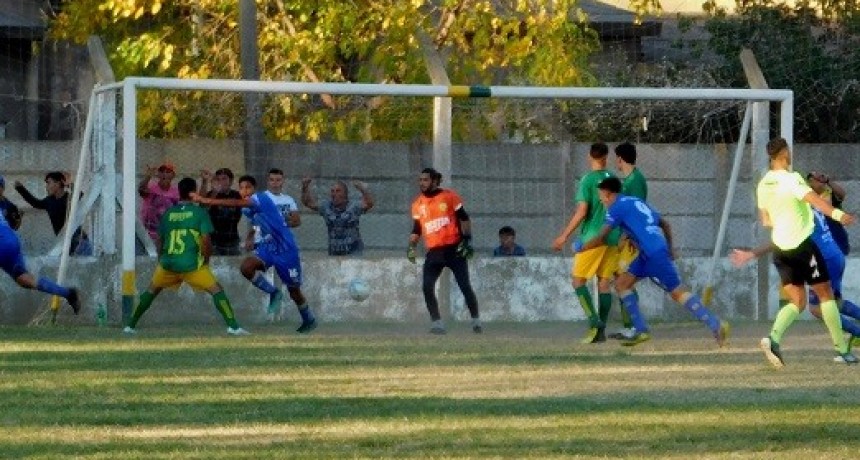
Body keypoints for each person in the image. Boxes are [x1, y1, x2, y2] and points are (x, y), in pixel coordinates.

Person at [578, 176, 730, 347]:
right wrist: (669, 248)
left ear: (608, 194)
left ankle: (715, 324)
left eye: (601, 195)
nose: (600, 199)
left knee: (677, 292)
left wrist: (582, 247)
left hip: (652, 253)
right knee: (621, 284)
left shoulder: (616, 208)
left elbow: (602, 237)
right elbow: (665, 224)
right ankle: (640, 330)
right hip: (650, 252)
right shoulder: (635, 201)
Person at [755, 138, 856, 367]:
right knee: (826, 295)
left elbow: (766, 220)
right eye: (788, 151)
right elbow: (816, 201)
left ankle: (773, 339)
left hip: (780, 250)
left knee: (798, 301)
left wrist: (784, 218)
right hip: (802, 246)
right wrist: (839, 215)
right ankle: (842, 350)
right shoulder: (792, 179)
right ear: (784, 153)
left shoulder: (763, 184)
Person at [730, 208, 860, 362]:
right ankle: (845, 346)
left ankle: (852, 340)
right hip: (830, 255)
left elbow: (778, 236)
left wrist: (752, 253)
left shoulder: (796, 210)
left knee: (819, 306)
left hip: (825, 258)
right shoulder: (807, 205)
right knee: (826, 303)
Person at [124, 177, 248, 335]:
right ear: (193, 192)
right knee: (217, 290)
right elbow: (206, 241)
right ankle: (233, 327)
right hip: (191, 265)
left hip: (168, 264)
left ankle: (130, 326)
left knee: (151, 291)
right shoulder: (199, 213)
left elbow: (160, 239)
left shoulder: (168, 213)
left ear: (179, 192)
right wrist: (206, 260)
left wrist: (161, 259)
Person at [195, 175, 317, 333]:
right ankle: (274, 292)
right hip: (269, 247)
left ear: (254, 189)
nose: (244, 191)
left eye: (248, 187)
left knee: (294, 291)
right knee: (246, 267)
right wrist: (251, 236)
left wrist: (209, 200)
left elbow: (236, 203)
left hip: (286, 249)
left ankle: (309, 319)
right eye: (241, 188)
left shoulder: (260, 198)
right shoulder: (247, 209)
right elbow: (258, 222)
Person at [552, 142, 618, 344]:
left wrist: (564, 236)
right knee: (604, 283)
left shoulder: (587, 180)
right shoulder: (614, 179)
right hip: (612, 236)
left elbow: (582, 211)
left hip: (593, 238)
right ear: (606, 157)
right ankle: (601, 331)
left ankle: (594, 321)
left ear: (589, 157)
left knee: (578, 281)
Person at [408, 167, 481, 334]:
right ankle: (437, 323)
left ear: (434, 181)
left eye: (425, 180)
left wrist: (467, 239)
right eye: (420, 180)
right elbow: (417, 228)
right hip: (434, 252)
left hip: (454, 250)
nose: (422, 183)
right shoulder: (418, 204)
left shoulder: (449, 196)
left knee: (464, 286)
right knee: (427, 286)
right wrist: (412, 245)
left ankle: (476, 321)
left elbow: (464, 218)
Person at [0, 175, 81, 315]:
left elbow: (16, 222)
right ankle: (68, 293)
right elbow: (15, 224)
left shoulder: (7, 204)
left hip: (4, 243)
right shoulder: (5, 203)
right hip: (11, 242)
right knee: (24, 279)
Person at [610, 142, 647, 340]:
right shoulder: (630, 179)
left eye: (616, 158)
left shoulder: (635, 181)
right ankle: (630, 325)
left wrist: (628, 237)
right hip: (627, 238)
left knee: (625, 281)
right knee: (621, 280)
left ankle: (634, 326)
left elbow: (637, 211)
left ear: (620, 159)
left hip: (632, 240)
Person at [13, 171, 91, 255]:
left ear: (58, 183)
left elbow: (80, 195)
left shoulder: (69, 198)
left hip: (79, 241)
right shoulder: (49, 201)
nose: (46, 187)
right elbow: (35, 203)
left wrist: (69, 184)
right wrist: (20, 189)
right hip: (65, 242)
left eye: (48, 183)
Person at [301, 177, 374, 256]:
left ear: (345, 194)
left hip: (354, 252)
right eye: (332, 191)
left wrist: (363, 190)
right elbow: (308, 203)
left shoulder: (354, 206)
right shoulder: (326, 207)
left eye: (338, 191)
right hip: (334, 252)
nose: (334, 194)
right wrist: (305, 187)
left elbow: (369, 204)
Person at [198, 168, 243, 255]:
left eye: (224, 179)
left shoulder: (236, 195)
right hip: (214, 241)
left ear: (231, 181)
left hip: (231, 239)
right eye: (218, 179)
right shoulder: (212, 194)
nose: (221, 182)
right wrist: (205, 182)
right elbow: (202, 207)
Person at [806, 171, 850, 255]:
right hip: (818, 236)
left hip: (835, 233)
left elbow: (842, 194)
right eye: (811, 180)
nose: (813, 183)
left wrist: (828, 180)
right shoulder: (807, 196)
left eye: (819, 179)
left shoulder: (830, 194)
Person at [139, 162, 179, 244]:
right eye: (162, 172)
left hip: (168, 234)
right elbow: (141, 190)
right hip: (148, 234)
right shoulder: (151, 189)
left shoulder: (176, 193)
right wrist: (148, 176)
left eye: (168, 172)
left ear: (173, 175)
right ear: (158, 175)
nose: (164, 174)